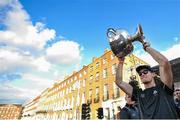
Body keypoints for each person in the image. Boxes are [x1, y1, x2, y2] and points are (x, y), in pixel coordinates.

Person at [115, 41, 179, 119]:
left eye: (145, 72)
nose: (142, 74)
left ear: (153, 74)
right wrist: (121, 62)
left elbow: (164, 62)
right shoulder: (138, 94)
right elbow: (119, 82)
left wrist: (146, 47)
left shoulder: (164, 88)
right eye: (140, 74)